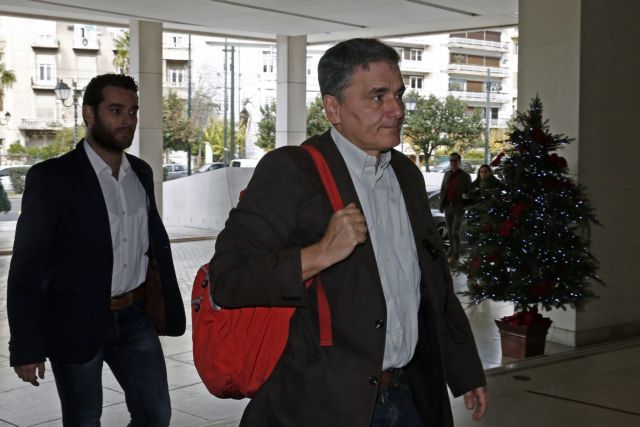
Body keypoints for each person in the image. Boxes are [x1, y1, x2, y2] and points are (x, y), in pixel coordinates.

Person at [211, 38, 487, 427]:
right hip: (325, 405)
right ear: (333, 108)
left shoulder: (405, 175)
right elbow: (228, 279)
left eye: (398, 94)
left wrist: (464, 369)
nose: (397, 110)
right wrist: (319, 254)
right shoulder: (293, 171)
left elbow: (433, 282)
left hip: (409, 396)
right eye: (377, 96)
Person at [7, 73, 186, 426]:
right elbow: (28, 266)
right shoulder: (53, 178)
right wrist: (26, 345)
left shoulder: (141, 173)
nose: (127, 120)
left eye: (132, 111)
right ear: (89, 114)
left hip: (135, 318)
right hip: (76, 320)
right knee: (84, 419)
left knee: (155, 414)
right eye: (115, 110)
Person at [439, 152, 472, 263]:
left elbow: (470, 191)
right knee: (449, 232)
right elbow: (443, 190)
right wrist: (441, 204)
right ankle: (452, 254)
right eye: (451, 160)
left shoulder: (465, 176)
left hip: (459, 207)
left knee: (454, 232)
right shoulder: (447, 174)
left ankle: (456, 255)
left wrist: (466, 196)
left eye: (455, 160)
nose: (453, 162)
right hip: (448, 206)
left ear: (459, 162)